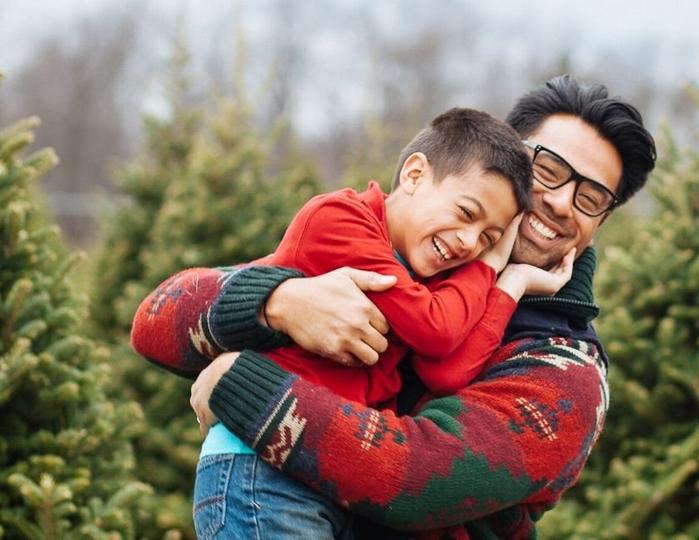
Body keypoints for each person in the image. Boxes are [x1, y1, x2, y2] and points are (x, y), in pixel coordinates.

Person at [131, 74, 656, 539]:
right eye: (548, 170)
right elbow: (157, 319)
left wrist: (237, 380)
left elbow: (412, 479)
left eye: (591, 198)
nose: (562, 202)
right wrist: (277, 303)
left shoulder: (565, 374)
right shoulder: (397, 259)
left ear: (598, 224)